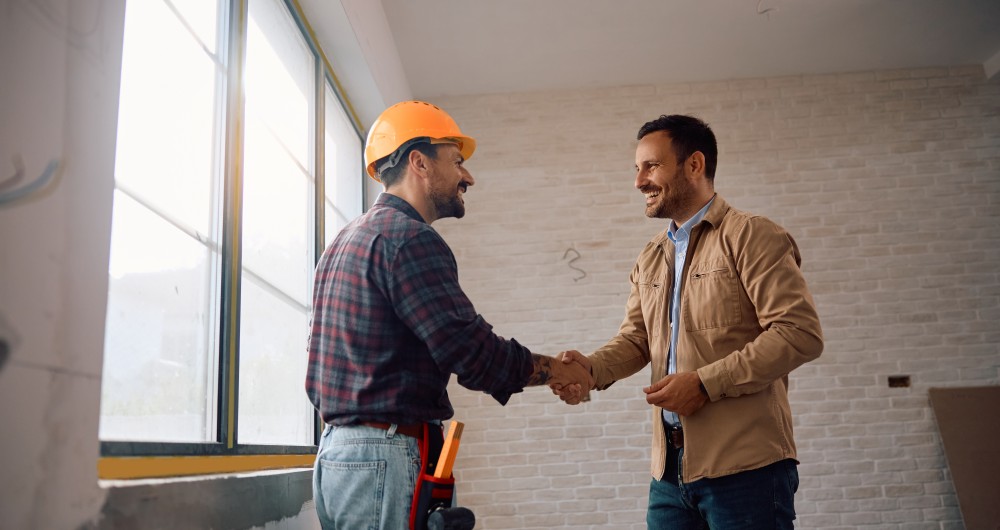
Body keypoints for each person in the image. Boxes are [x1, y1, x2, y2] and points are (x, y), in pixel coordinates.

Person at [306, 100, 591, 530]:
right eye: (457, 161)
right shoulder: (410, 239)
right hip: (384, 457)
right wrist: (556, 370)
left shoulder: (344, 240)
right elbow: (472, 353)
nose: (468, 176)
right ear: (419, 162)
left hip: (336, 457)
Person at [554, 114, 823, 529]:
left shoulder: (752, 236)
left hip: (747, 470)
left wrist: (704, 384)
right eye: (637, 168)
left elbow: (799, 333)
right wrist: (590, 369)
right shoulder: (651, 255)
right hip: (669, 474)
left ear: (694, 165)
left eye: (651, 166)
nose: (639, 181)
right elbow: (638, 340)